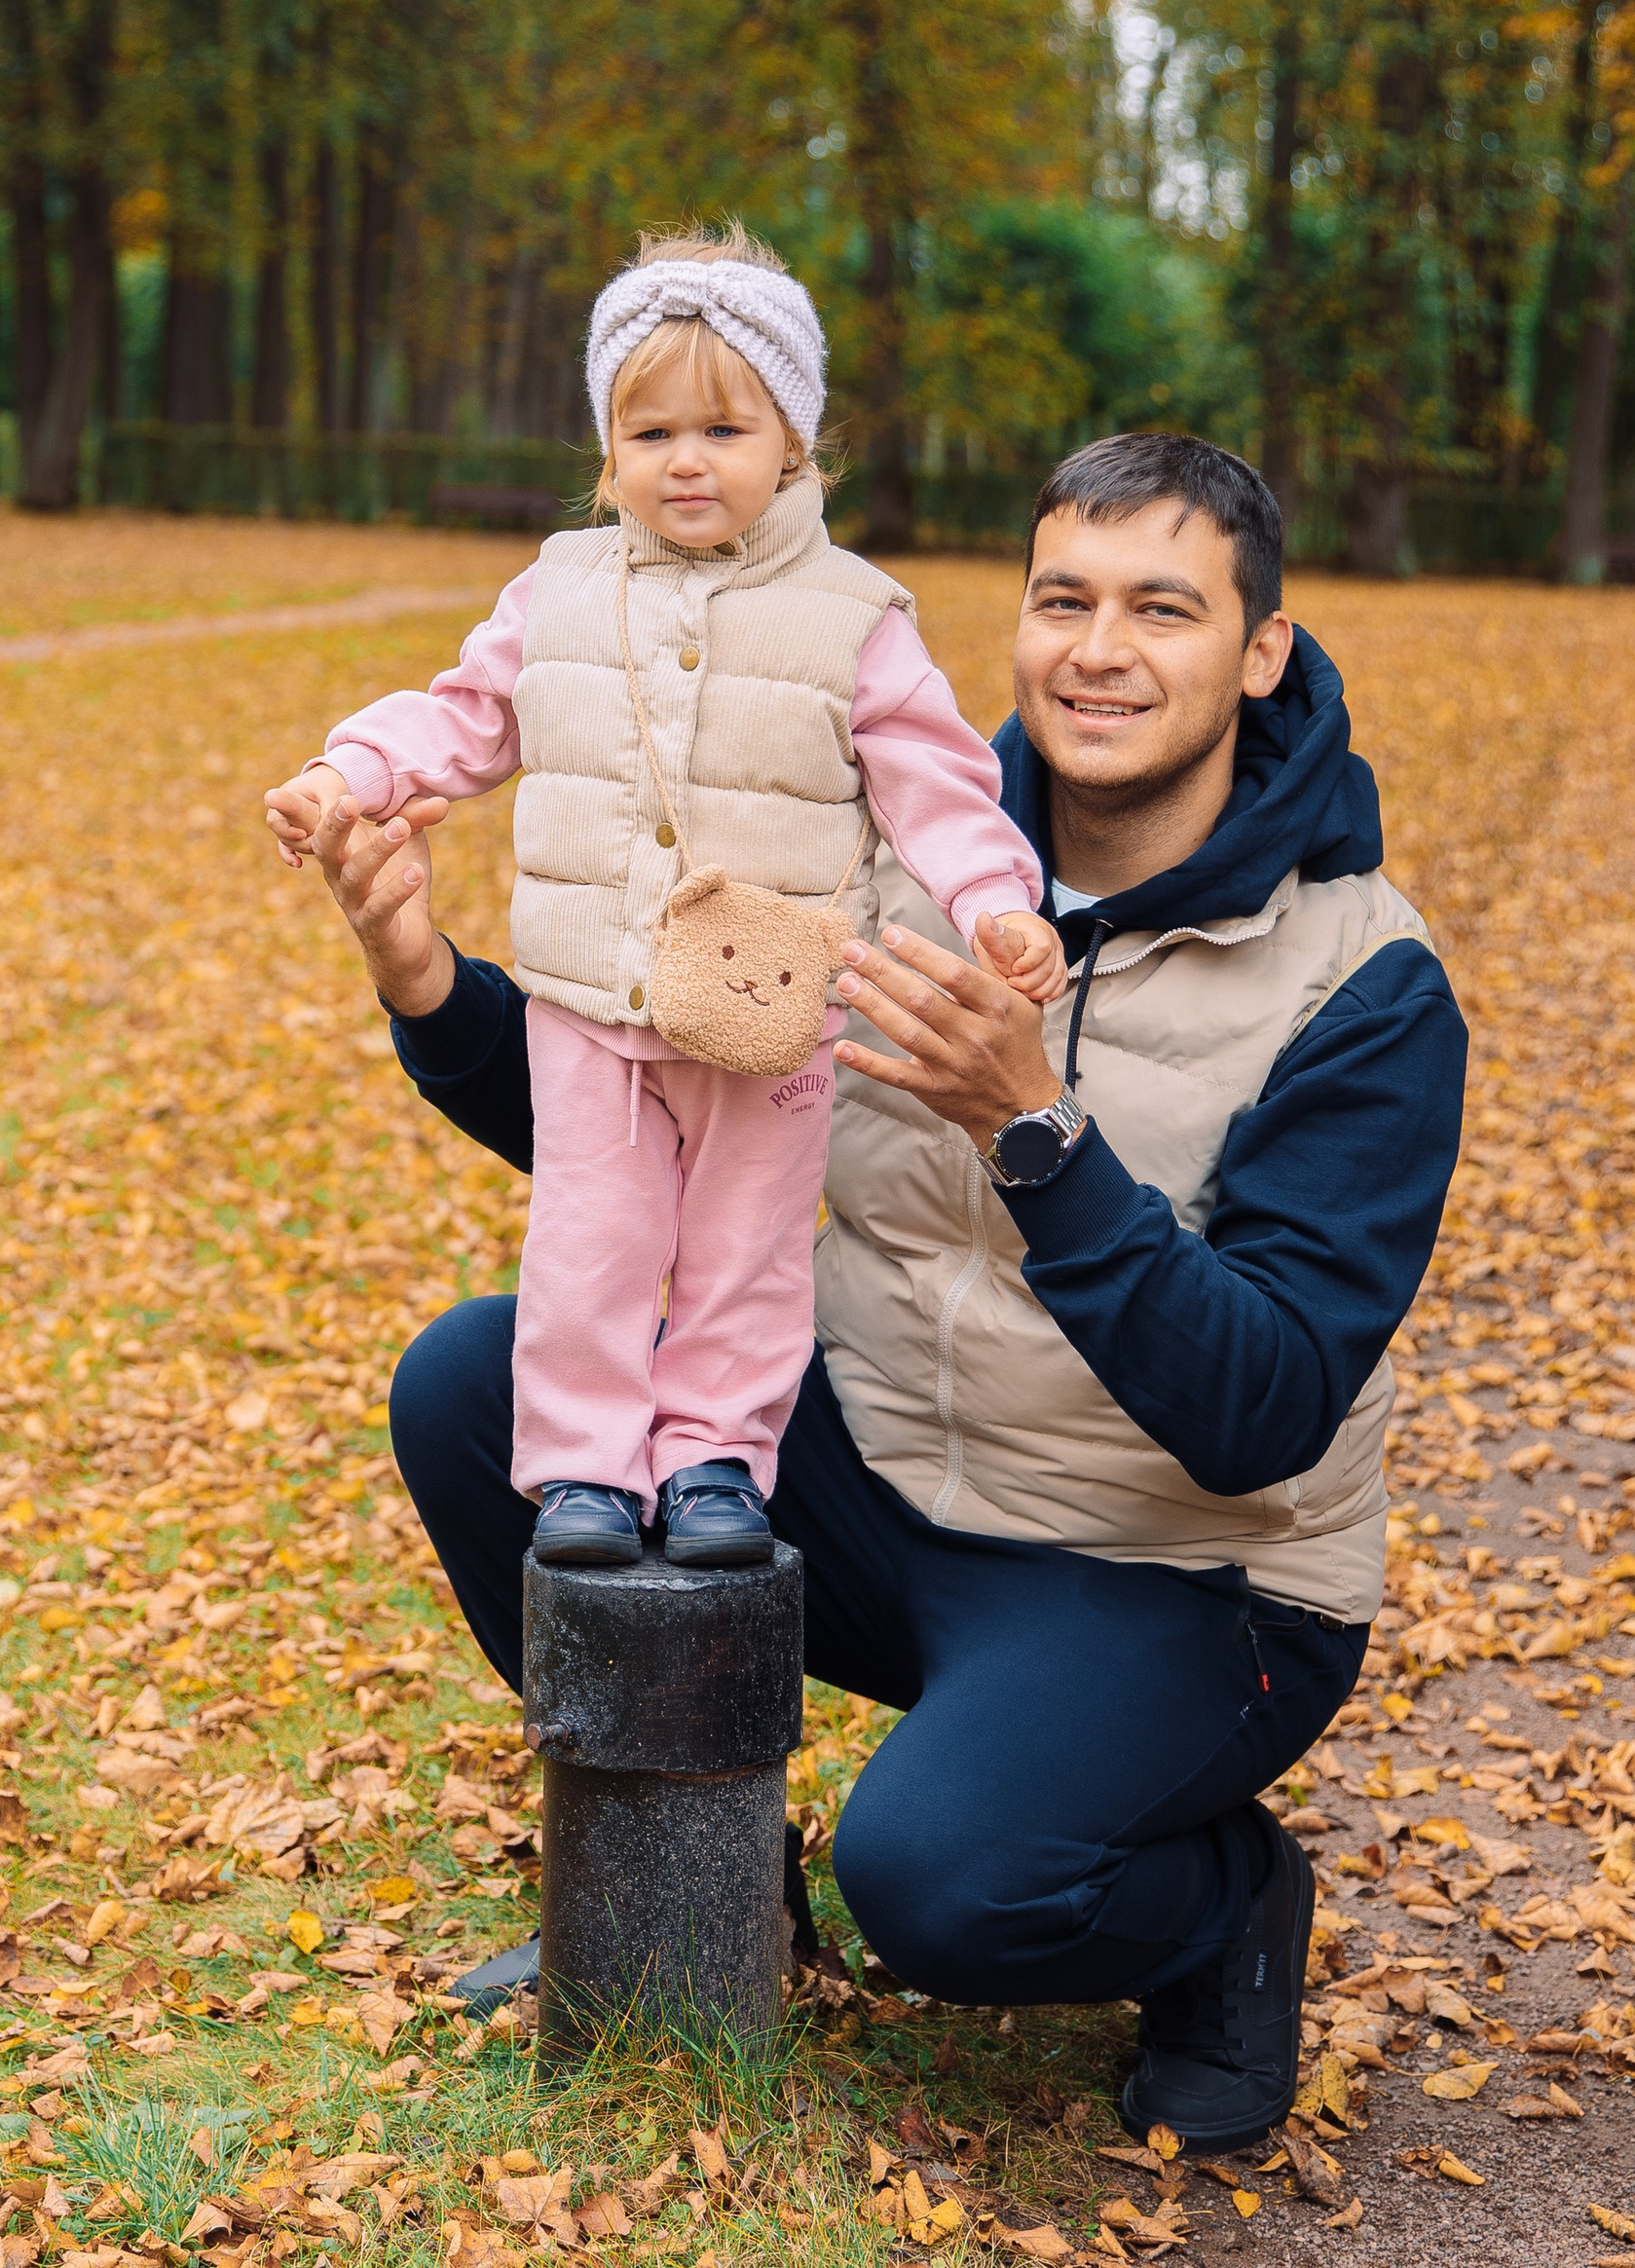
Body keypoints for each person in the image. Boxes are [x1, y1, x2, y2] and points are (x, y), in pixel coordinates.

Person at [303, 428, 1468, 2156]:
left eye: (1164, 608)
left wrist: (1036, 1130)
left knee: (940, 1887)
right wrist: (425, 980)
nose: (1100, 649)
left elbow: (1267, 1406)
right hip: (885, 1469)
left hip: (1179, 1572)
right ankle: (704, 1877)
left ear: (1262, 651)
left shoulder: (1363, 980)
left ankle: (1223, 1911)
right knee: (483, 1391)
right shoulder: (891, 848)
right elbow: (657, 1113)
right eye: (1063, 598)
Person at [266, 228, 1064, 1579]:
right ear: (607, 449)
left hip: (769, 1004)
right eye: (648, 432)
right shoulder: (559, 590)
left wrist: (997, 898)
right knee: (592, 1233)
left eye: (722, 426)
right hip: (590, 997)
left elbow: (936, 784)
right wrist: (352, 766)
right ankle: (581, 1465)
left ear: (794, 443)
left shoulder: (855, 615)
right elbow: (465, 717)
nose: (683, 459)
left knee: (746, 1250)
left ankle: (713, 1458)